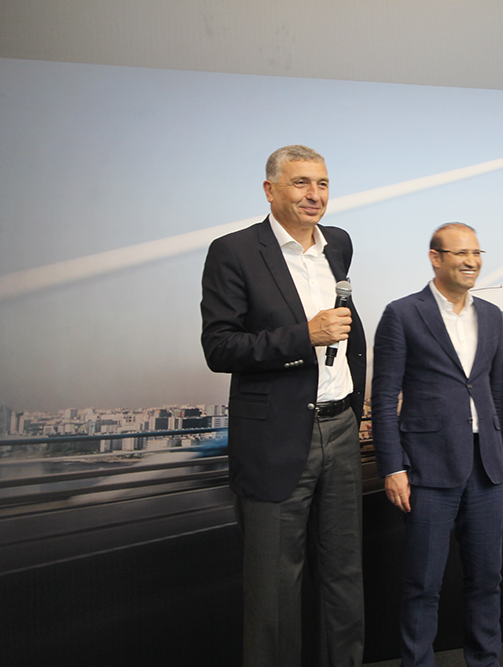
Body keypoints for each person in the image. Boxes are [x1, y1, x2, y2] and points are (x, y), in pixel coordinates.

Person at [200, 145, 365, 667]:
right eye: (300, 183)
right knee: (273, 590)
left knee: (344, 577)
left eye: (322, 183)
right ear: (270, 190)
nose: (314, 194)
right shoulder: (233, 251)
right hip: (275, 439)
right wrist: (304, 335)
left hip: (340, 427)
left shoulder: (338, 243)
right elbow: (219, 348)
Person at [371, 223, 503, 667]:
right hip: (427, 470)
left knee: (486, 580)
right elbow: (384, 395)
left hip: (485, 468)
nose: (472, 261)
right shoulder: (402, 314)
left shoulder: (492, 315)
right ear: (435, 258)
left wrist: (498, 447)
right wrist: (393, 468)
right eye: (461, 253)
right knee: (423, 584)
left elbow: (492, 387)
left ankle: (484, 662)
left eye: (477, 253)